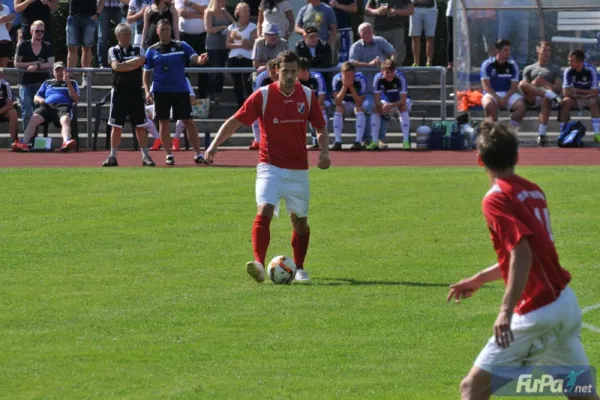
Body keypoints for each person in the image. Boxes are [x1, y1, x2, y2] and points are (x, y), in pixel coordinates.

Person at [447, 120, 598, 400]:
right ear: (516, 156)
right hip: (565, 304)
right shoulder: (533, 190)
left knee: (472, 388)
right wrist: (479, 279)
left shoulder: (496, 199)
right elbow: (530, 253)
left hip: (538, 311)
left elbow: (523, 254)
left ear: (480, 160)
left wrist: (505, 311)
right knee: (582, 394)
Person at [204, 50, 331, 283]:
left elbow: (321, 128)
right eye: (286, 71)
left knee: (300, 223)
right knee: (264, 211)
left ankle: (300, 268)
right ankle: (259, 265)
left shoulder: (307, 95)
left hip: (298, 171)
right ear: (275, 71)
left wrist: (324, 151)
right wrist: (213, 146)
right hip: (269, 167)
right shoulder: (262, 96)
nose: (291, 76)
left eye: (294, 71)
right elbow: (235, 121)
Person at [143, 18, 208, 165]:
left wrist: (200, 59)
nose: (165, 32)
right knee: (164, 122)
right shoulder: (152, 50)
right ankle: (168, 154)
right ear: (158, 31)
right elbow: (146, 73)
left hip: (180, 89)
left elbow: (195, 58)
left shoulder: (181, 45)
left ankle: (198, 153)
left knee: (189, 122)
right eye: (163, 29)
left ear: (171, 30)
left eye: (168, 29)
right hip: (161, 90)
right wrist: (147, 90)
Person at [102, 23, 155, 167]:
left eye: (129, 34)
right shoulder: (113, 50)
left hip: (135, 92)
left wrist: (124, 64)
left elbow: (142, 61)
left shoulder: (138, 49)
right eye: (125, 34)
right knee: (116, 125)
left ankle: (145, 156)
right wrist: (132, 64)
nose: (128, 37)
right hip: (119, 92)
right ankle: (112, 156)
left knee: (140, 125)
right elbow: (116, 67)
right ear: (118, 36)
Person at [12, 62, 80, 152]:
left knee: (65, 120)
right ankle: (23, 143)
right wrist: (40, 100)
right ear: (53, 72)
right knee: (34, 118)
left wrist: (68, 84)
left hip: (63, 106)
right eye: (57, 70)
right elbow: (36, 97)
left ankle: (66, 141)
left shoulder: (72, 82)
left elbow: (76, 99)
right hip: (47, 106)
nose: (59, 72)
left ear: (65, 71)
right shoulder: (47, 83)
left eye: (61, 70)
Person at [518, 42, 562, 147]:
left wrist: (545, 83)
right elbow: (524, 87)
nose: (547, 53)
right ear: (538, 51)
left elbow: (558, 89)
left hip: (547, 100)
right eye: (544, 50)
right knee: (521, 84)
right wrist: (533, 83)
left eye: (549, 51)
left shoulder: (555, 69)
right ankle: (548, 94)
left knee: (545, 98)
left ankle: (542, 134)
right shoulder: (529, 68)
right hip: (532, 97)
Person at [14, 20, 54, 133]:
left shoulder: (47, 46)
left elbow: (51, 63)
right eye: (37, 31)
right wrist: (31, 64)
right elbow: (17, 64)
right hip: (25, 83)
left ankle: (37, 140)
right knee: (26, 112)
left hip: (42, 85)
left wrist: (37, 65)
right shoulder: (23, 45)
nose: (40, 33)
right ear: (31, 32)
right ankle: (28, 140)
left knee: (40, 112)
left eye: (42, 31)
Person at [480, 39, 526, 128]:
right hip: (491, 94)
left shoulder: (513, 65)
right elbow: (486, 86)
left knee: (522, 106)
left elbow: (513, 87)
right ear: (498, 50)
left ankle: (510, 129)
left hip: (508, 94)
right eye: (505, 50)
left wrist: (506, 98)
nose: (508, 52)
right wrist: (497, 98)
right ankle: (493, 131)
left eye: (509, 50)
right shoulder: (487, 64)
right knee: (489, 105)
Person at [559, 49, 600, 143]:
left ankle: (597, 134)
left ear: (580, 62)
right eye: (569, 60)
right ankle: (563, 133)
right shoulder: (568, 71)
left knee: (593, 101)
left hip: (589, 98)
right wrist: (585, 93)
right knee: (565, 101)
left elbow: (594, 92)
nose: (569, 62)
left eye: (572, 61)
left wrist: (576, 91)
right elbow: (566, 92)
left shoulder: (590, 70)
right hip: (576, 98)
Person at [146, 76, 196, 151]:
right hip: (162, 106)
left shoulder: (183, 78)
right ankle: (157, 138)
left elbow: (192, 99)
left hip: (177, 106)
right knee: (143, 112)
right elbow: (151, 98)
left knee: (185, 112)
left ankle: (176, 138)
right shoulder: (158, 77)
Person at [371, 58, 410, 150]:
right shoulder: (377, 78)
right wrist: (383, 106)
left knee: (403, 107)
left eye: (391, 72)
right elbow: (376, 100)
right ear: (382, 71)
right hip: (386, 102)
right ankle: (374, 141)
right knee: (375, 108)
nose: (389, 75)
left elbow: (403, 100)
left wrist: (391, 106)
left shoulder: (400, 78)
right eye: (387, 72)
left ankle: (406, 141)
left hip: (399, 102)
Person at [331, 61, 368, 151]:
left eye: (349, 75)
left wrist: (351, 87)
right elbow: (337, 101)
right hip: (344, 103)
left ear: (354, 74)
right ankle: (338, 141)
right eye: (345, 75)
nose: (347, 77)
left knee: (360, 109)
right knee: (338, 108)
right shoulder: (336, 79)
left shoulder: (361, 79)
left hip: (356, 103)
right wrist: (344, 86)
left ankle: (358, 141)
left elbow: (359, 101)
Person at [226, 2, 256, 109]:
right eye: (245, 11)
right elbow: (228, 44)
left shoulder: (253, 27)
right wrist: (242, 45)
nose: (247, 13)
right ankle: (240, 106)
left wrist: (240, 39)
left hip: (247, 58)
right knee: (236, 84)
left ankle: (251, 105)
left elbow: (253, 45)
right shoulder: (232, 27)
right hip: (234, 58)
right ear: (238, 13)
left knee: (248, 84)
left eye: (248, 11)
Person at [66, 0, 103, 87]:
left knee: (87, 48)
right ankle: (70, 78)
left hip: (90, 17)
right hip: (73, 16)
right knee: (72, 48)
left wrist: (97, 14)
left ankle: (86, 77)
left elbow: (102, 1)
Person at [297, 56, 327, 149]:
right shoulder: (296, 80)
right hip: (304, 105)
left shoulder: (317, 77)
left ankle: (321, 140)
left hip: (320, 103)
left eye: (296, 70)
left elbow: (321, 99)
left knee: (318, 109)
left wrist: (310, 108)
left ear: (303, 70)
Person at [248, 58, 278, 150]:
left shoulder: (286, 77)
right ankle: (257, 140)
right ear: (267, 72)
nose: (275, 75)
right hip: (267, 102)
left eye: (276, 72)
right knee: (254, 112)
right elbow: (256, 98)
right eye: (272, 73)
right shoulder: (261, 78)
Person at [409, 0, 437, 67]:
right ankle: (416, 63)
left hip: (431, 9)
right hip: (414, 9)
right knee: (415, 37)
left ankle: (429, 62)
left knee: (430, 37)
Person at [0, 69, 18, 145]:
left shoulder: (5, 85)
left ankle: (13, 141)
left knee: (13, 112)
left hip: (2, 111)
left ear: (1, 76)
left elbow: (10, 104)